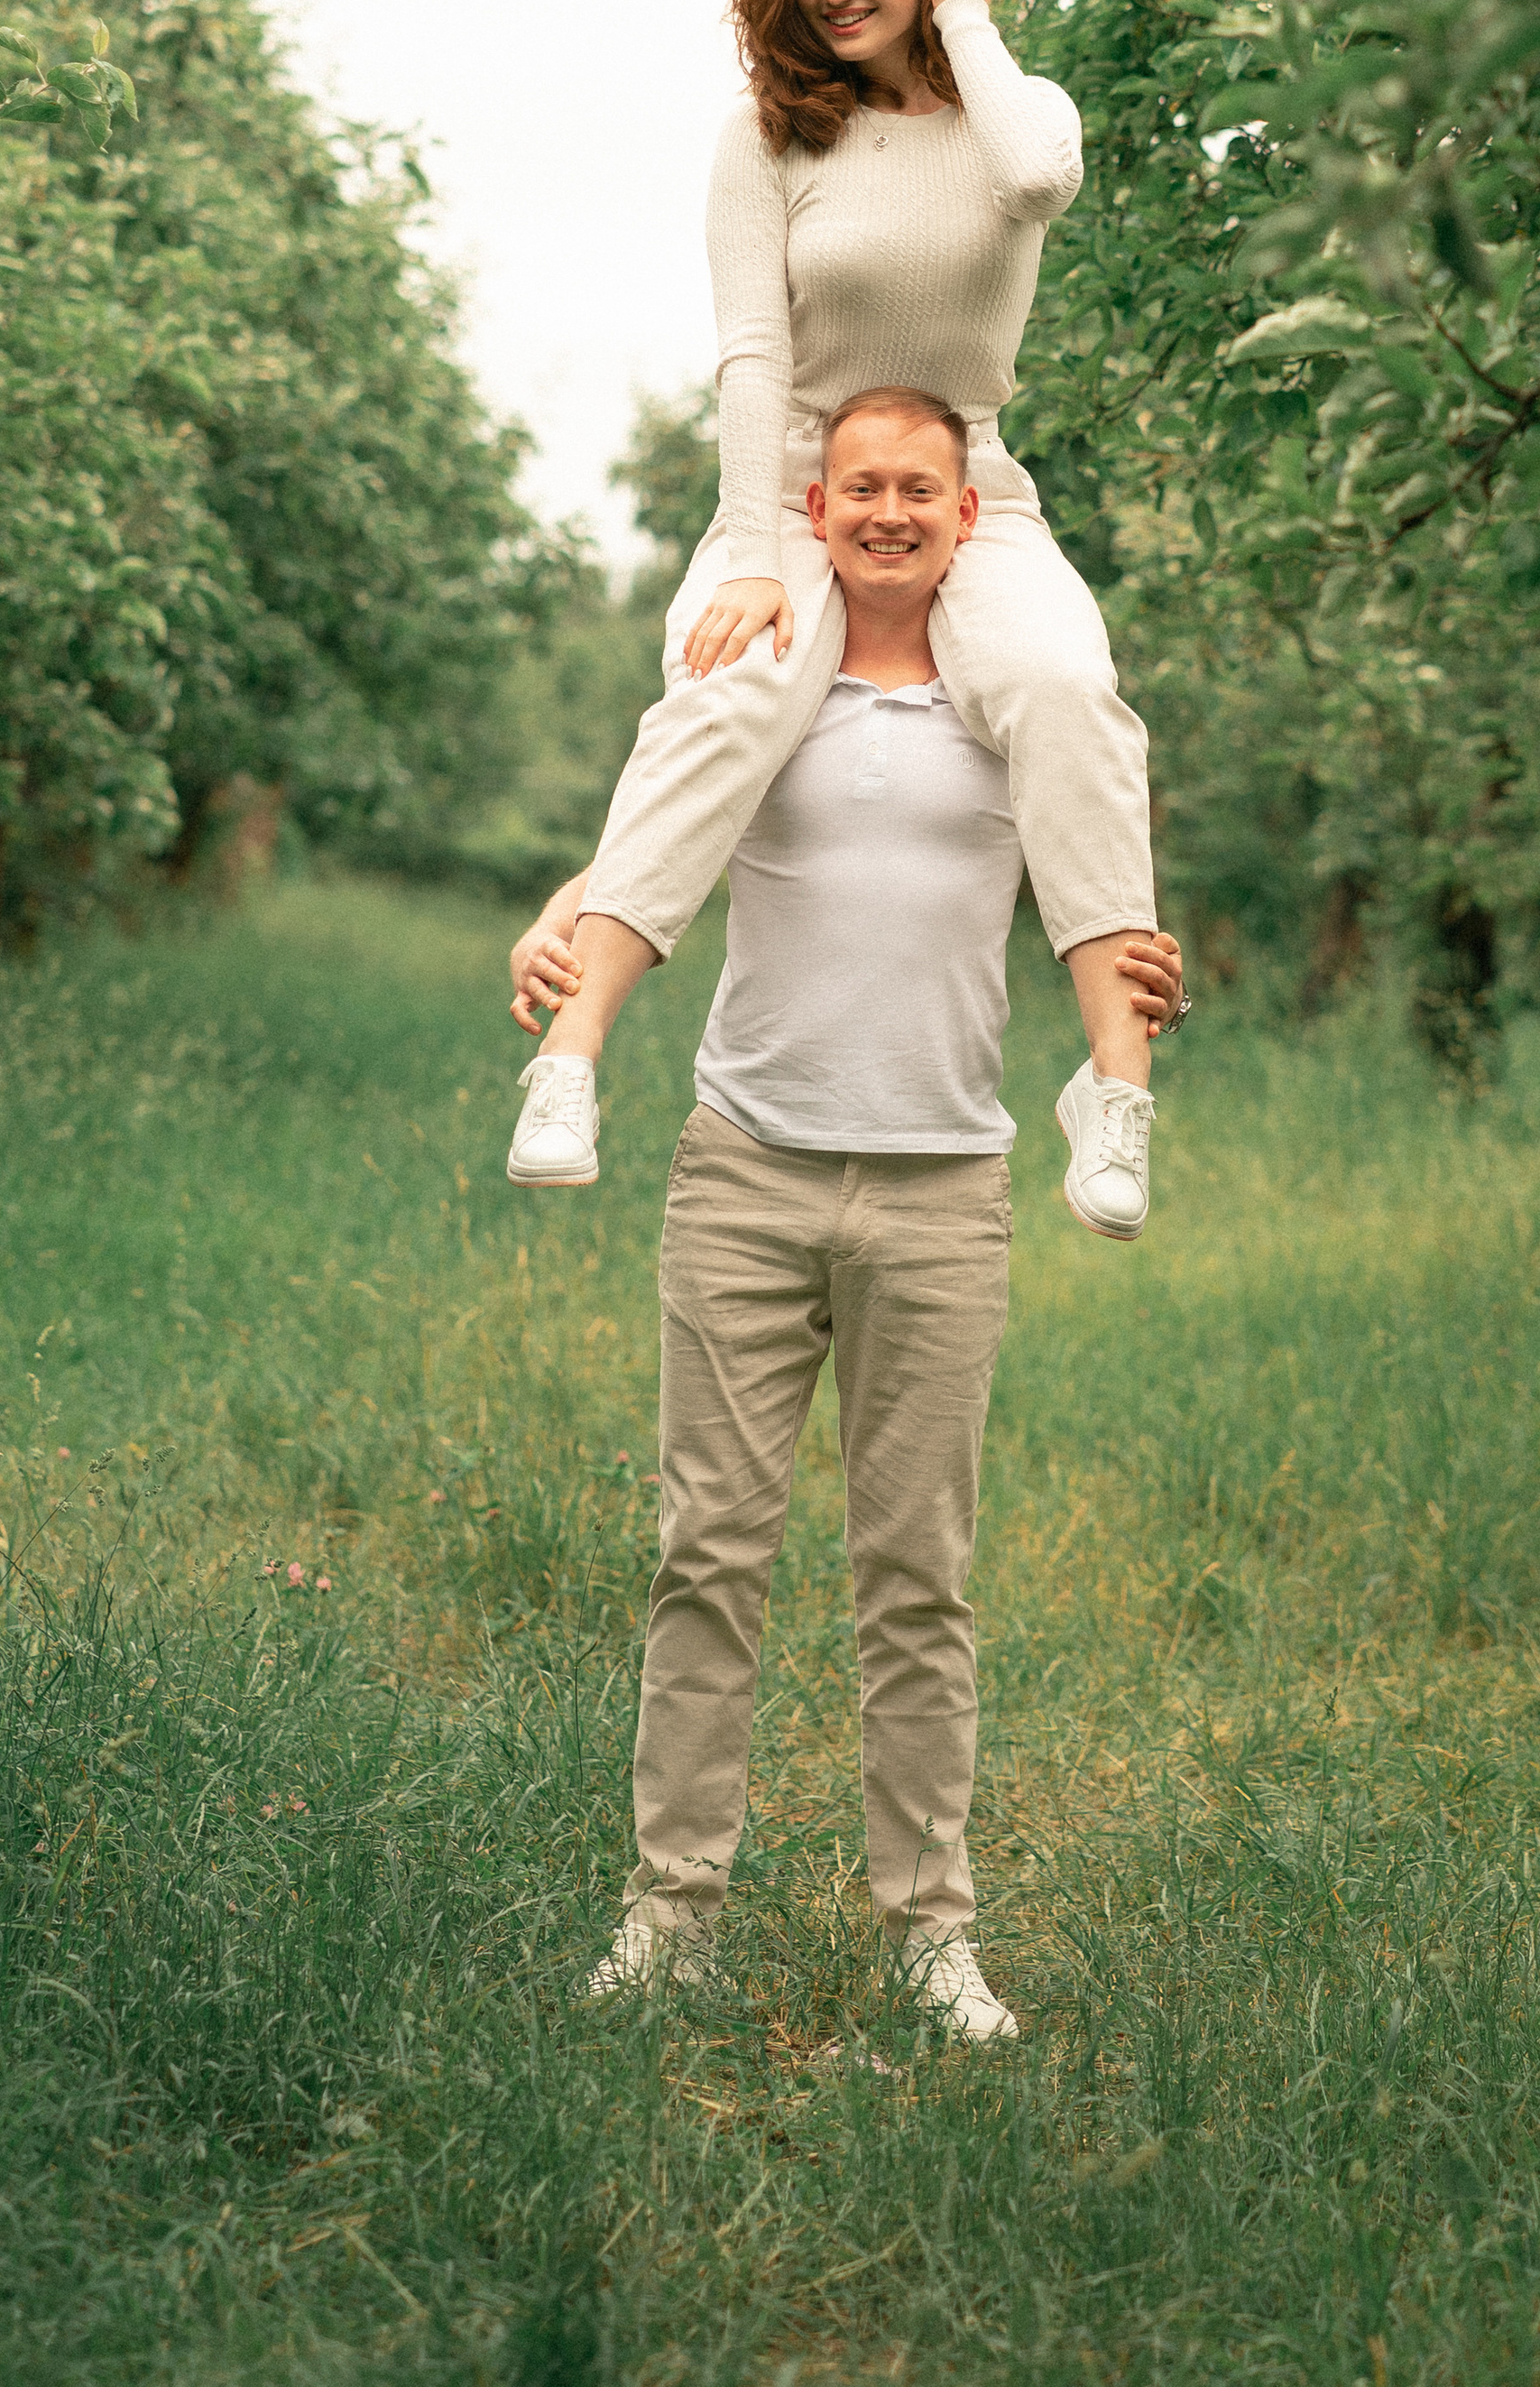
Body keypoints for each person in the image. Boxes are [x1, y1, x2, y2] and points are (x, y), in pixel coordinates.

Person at [551, 391, 1184, 2039]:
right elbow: (643, 838)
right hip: (745, 1174)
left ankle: (930, 1933)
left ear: (968, 516)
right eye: (860, 489)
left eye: (920, 488)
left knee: (918, 1580)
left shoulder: (1012, 701)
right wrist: (552, 940)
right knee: (710, 1559)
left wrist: (1135, 981)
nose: (890, 511)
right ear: (813, 511)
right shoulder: (758, 686)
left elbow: (1103, 865)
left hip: (941, 1190)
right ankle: (670, 1913)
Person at [503, 0, 1162, 1238]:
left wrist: (971, 18)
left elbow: (1039, 182)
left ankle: (1112, 1093)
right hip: (801, 478)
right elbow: (751, 352)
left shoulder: (1013, 111)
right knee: (727, 693)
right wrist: (753, 551)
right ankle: (569, 1062)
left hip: (966, 476)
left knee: (1065, 690)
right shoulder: (767, 136)